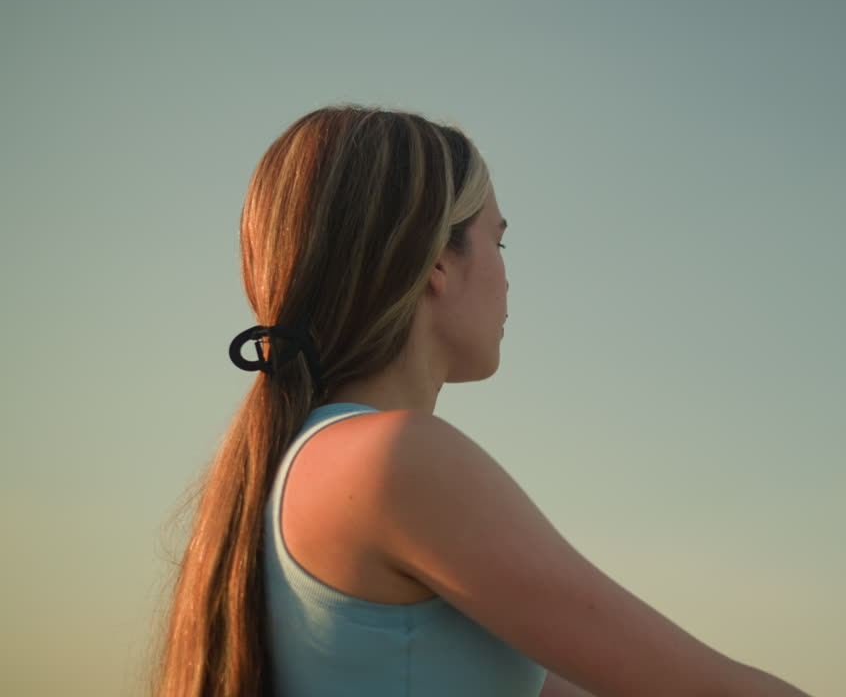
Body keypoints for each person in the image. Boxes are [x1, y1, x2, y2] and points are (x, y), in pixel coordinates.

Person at [154, 105, 812, 697]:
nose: (506, 274)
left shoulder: (298, 464)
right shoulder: (395, 461)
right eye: (498, 241)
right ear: (437, 262)